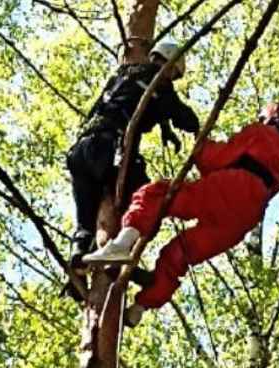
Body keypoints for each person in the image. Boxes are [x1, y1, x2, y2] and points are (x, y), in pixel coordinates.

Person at [82, 101, 279, 326]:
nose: (259, 119)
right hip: (245, 218)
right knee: (181, 252)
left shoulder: (261, 133)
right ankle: (140, 308)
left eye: (262, 116)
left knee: (156, 194)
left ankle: (122, 244)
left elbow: (214, 159)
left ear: (275, 116)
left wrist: (200, 141)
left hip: (231, 188)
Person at [66, 41, 200, 274]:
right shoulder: (160, 83)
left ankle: (79, 255)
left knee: (85, 220)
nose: (171, 79)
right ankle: (117, 252)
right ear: (168, 63)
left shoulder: (124, 74)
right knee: (147, 199)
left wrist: (165, 128)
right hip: (110, 148)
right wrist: (197, 128)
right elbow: (184, 116)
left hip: (81, 150)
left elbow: (140, 100)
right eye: (173, 74)